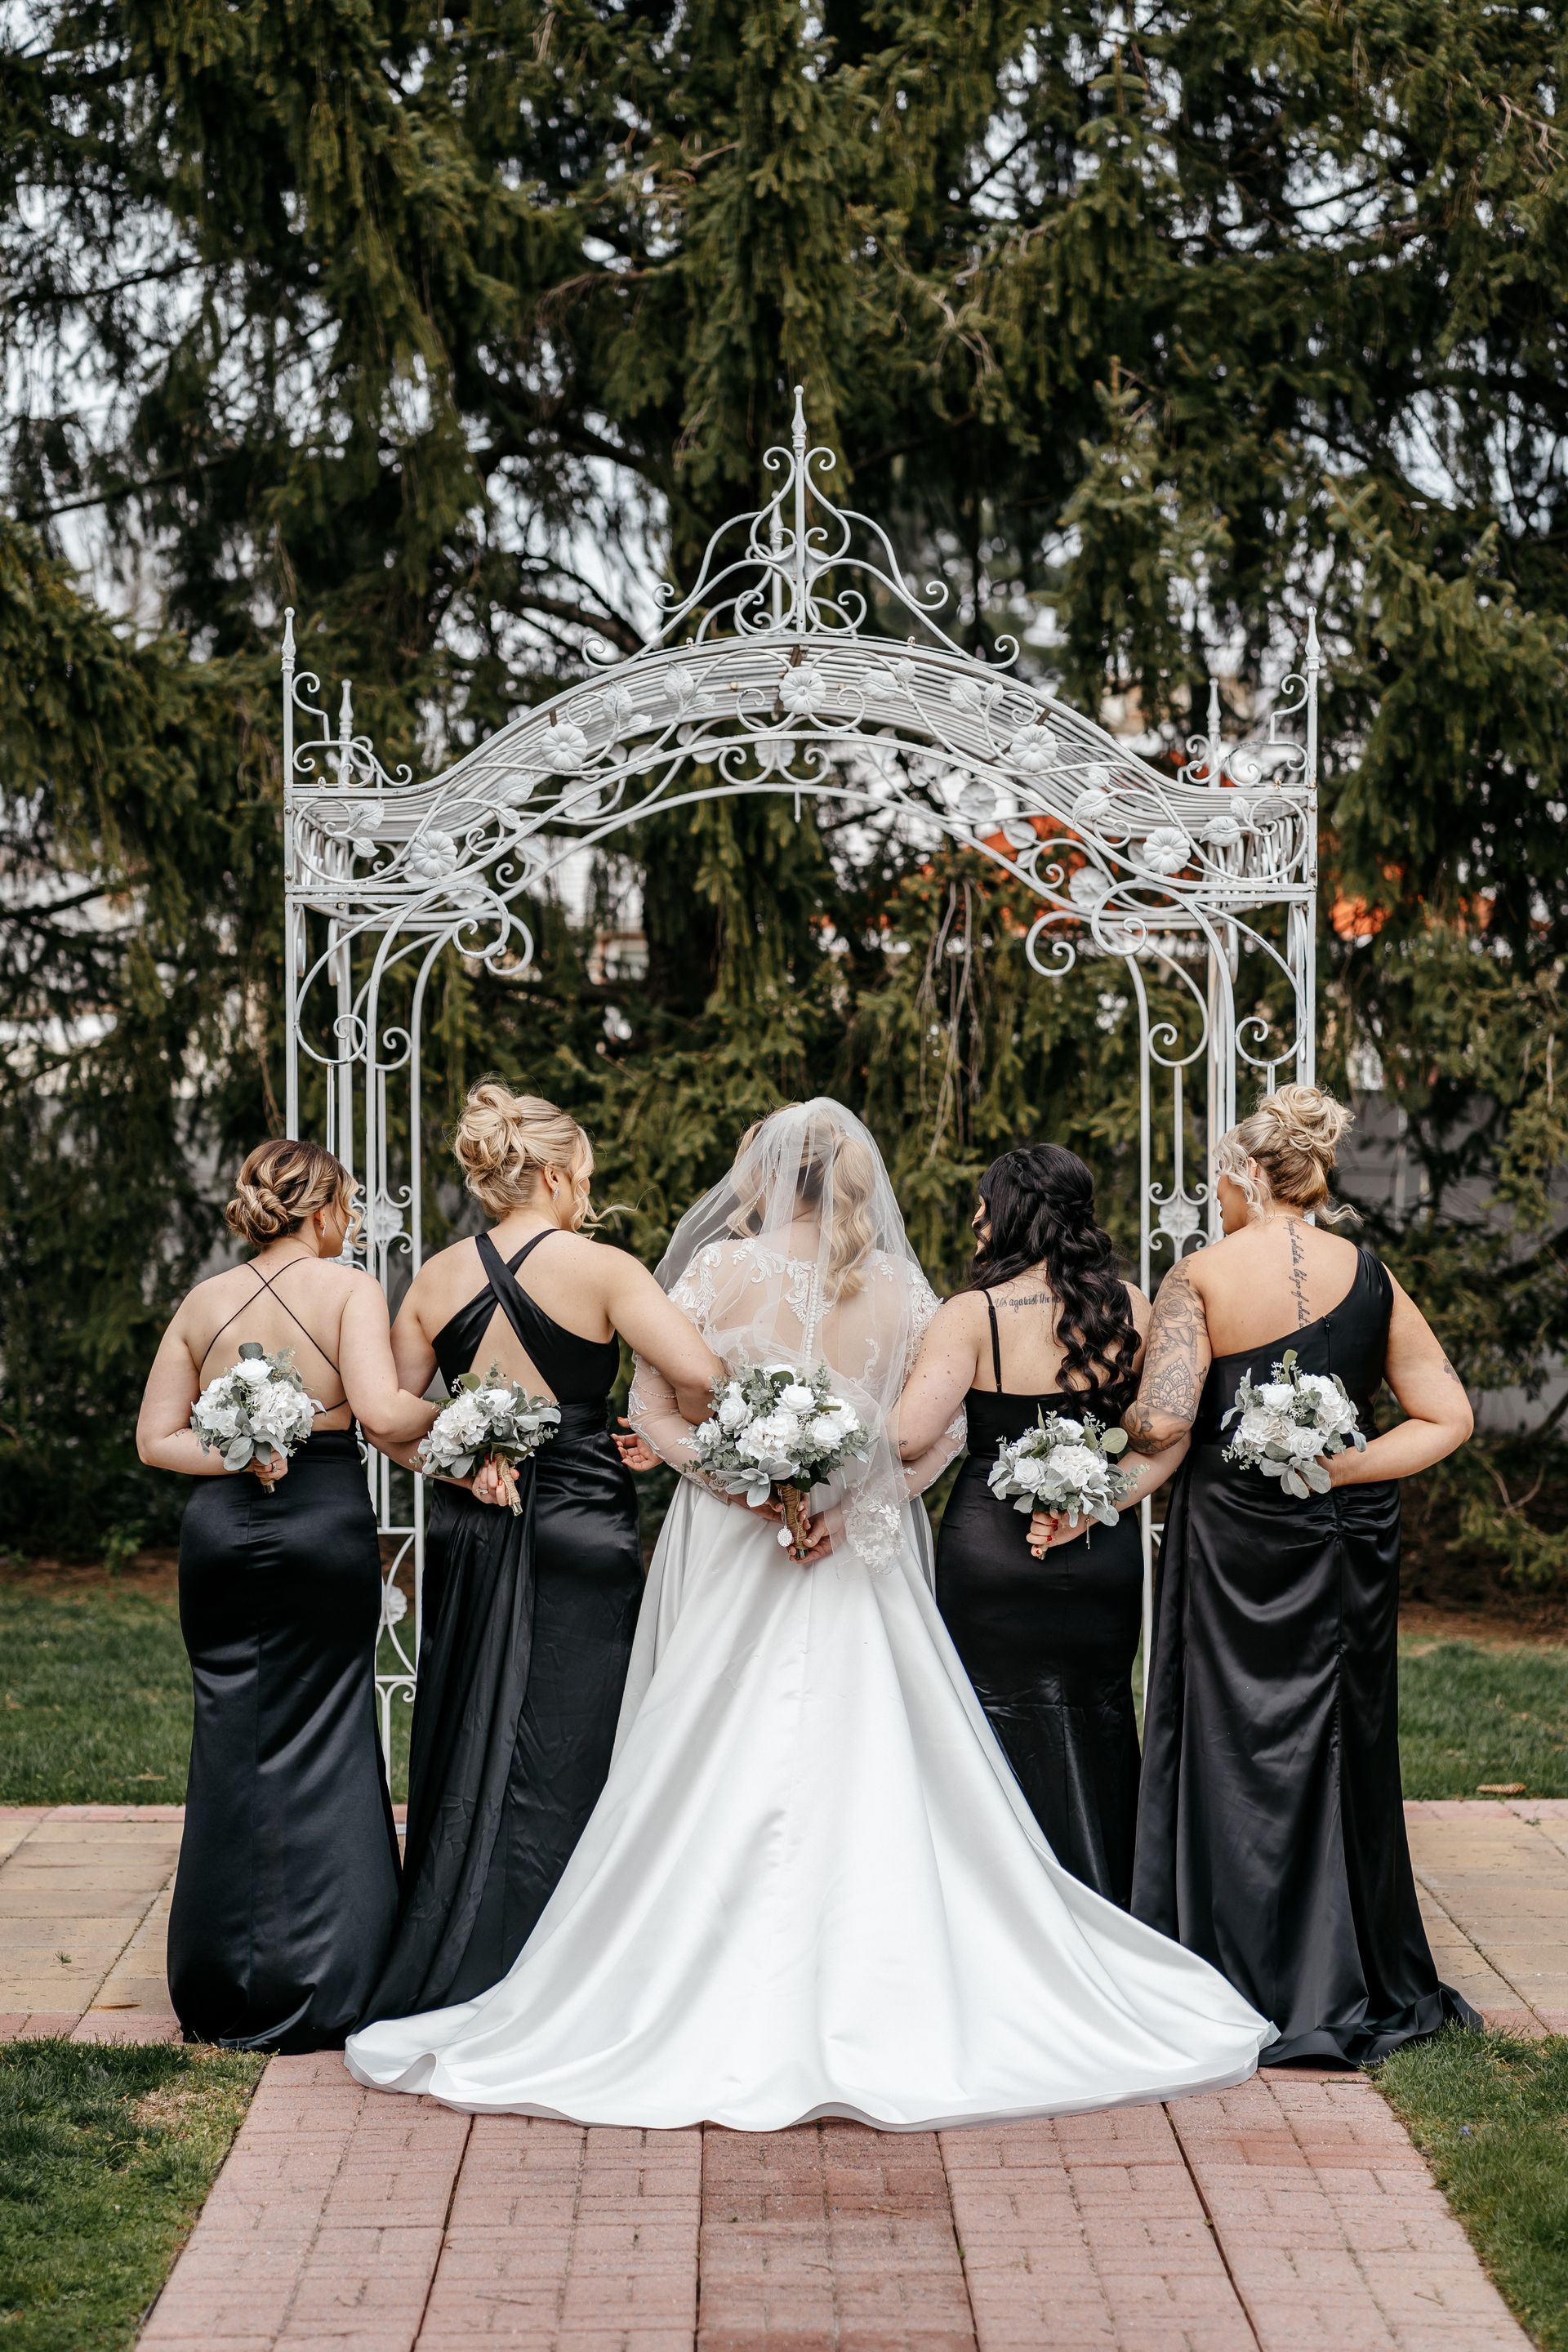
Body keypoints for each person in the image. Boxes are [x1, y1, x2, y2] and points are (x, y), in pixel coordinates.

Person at [345, 1099, 1271, 2130]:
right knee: (873, 1748)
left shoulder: (714, 1273)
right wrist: (848, 1497)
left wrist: (747, 1485)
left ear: (766, 1176)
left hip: (735, 1544)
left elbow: (655, 1410)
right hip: (856, 1555)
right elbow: (939, 1428)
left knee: (705, 1739)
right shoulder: (900, 1287)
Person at [1124, 1083, 1480, 2065]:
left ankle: (1217, 1966)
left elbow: (1161, 1423)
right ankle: (1341, 1968)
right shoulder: (1373, 1275)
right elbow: (1447, 1417)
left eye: (1221, 1184)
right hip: (1341, 1543)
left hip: (1232, 1546)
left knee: (1225, 1738)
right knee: (1335, 1742)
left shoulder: (1198, 1274)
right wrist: (1348, 1462)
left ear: (1243, 1176)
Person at [358, 1084, 724, 2024]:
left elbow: (393, 1422)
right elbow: (700, 1375)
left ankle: (463, 1933)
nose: (586, 1197)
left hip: (476, 1524)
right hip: (580, 1520)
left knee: (475, 1717)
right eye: (584, 1179)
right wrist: (648, 1427)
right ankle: (581, 1959)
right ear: (555, 1174)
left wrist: (468, 1447)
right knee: (580, 1734)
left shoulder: (435, 1277)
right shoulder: (604, 1270)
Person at [136, 1139, 436, 2051]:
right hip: (318, 1528)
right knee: (332, 1731)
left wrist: (238, 1449)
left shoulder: (202, 1302)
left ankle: (220, 1981)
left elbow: (156, 1440)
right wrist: (474, 1427)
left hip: (221, 1538)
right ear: (321, 1210)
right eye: (344, 1205)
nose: (348, 1221)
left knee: (231, 1733)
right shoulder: (347, 1289)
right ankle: (330, 1978)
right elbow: (382, 1415)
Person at [897, 1144, 1186, 1909]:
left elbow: (906, 1437)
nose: (975, 1219)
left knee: (989, 1722)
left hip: (991, 1554)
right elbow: (1169, 1436)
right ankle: (1111, 1902)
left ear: (1017, 1212)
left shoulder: (971, 1315)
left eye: (985, 1204)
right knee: (1098, 1712)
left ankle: (1004, 1912)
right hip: (1101, 1554)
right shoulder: (1129, 1304)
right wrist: (1099, 1501)